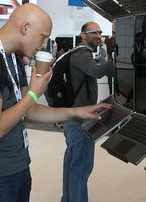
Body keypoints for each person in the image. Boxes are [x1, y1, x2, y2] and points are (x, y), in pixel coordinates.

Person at [0, 4, 110, 202]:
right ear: (25, 27)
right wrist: (34, 93)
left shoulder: (11, 57)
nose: (44, 44)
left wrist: (78, 112)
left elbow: (30, 110)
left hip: (18, 165)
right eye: (43, 36)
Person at [59, 22, 114, 202]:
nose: (99, 35)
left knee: (73, 165)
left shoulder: (80, 54)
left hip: (74, 118)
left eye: (100, 32)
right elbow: (96, 71)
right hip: (79, 122)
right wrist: (119, 61)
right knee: (81, 169)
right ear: (83, 35)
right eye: (93, 32)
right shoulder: (82, 53)